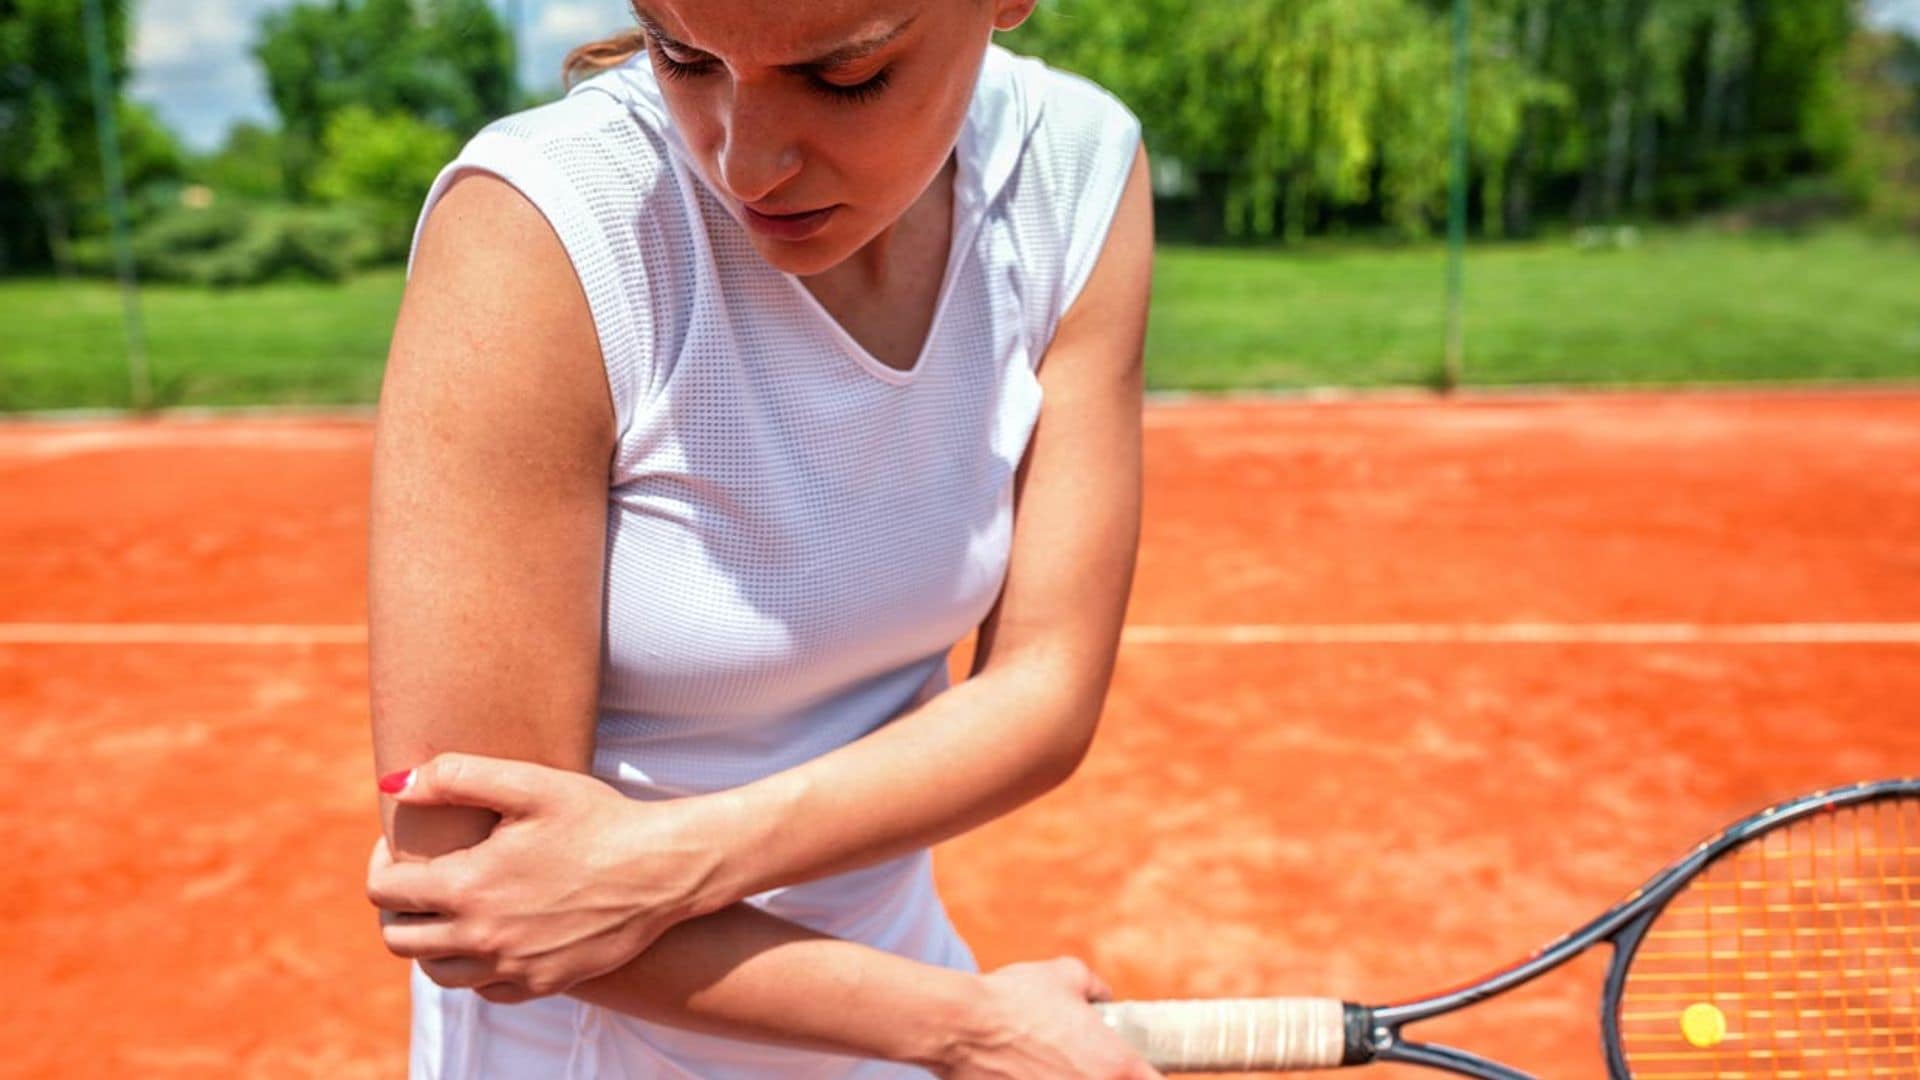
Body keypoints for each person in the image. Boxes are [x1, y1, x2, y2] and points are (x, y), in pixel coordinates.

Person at [364, 0, 1156, 1075]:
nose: (746, 164)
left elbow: (1047, 688)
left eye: (845, 76)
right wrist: (965, 1028)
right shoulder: (540, 227)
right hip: (587, 1046)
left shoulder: (1077, 168)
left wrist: (667, 862)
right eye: (683, 56)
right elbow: (481, 889)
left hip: (894, 998)